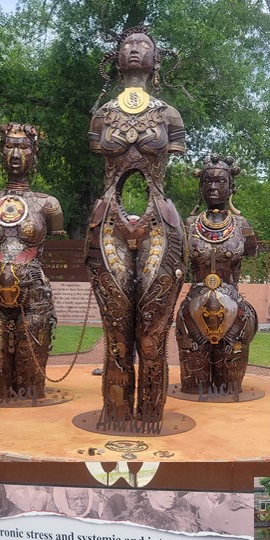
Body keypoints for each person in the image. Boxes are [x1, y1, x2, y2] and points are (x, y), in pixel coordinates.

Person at [86, 24, 186, 431]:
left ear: (155, 59)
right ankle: (116, 411)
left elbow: (169, 153)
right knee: (116, 328)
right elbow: (101, 151)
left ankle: (150, 414)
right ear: (116, 55)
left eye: (144, 44)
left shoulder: (169, 114)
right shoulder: (103, 114)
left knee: (152, 329)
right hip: (109, 217)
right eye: (128, 43)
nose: (134, 49)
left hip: (158, 221)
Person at [0, 123, 65, 402]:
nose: (15, 153)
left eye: (23, 146)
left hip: (34, 290)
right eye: (9, 146)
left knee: (31, 386)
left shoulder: (48, 204)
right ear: (1, 151)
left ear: (34, 153)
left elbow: (51, 244)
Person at [175, 154, 259, 399]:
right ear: (200, 186)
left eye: (220, 181)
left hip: (233, 313)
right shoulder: (189, 225)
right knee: (193, 385)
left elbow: (252, 250)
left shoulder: (242, 226)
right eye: (208, 181)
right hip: (193, 311)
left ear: (231, 186)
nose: (213, 186)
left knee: (229, 386)